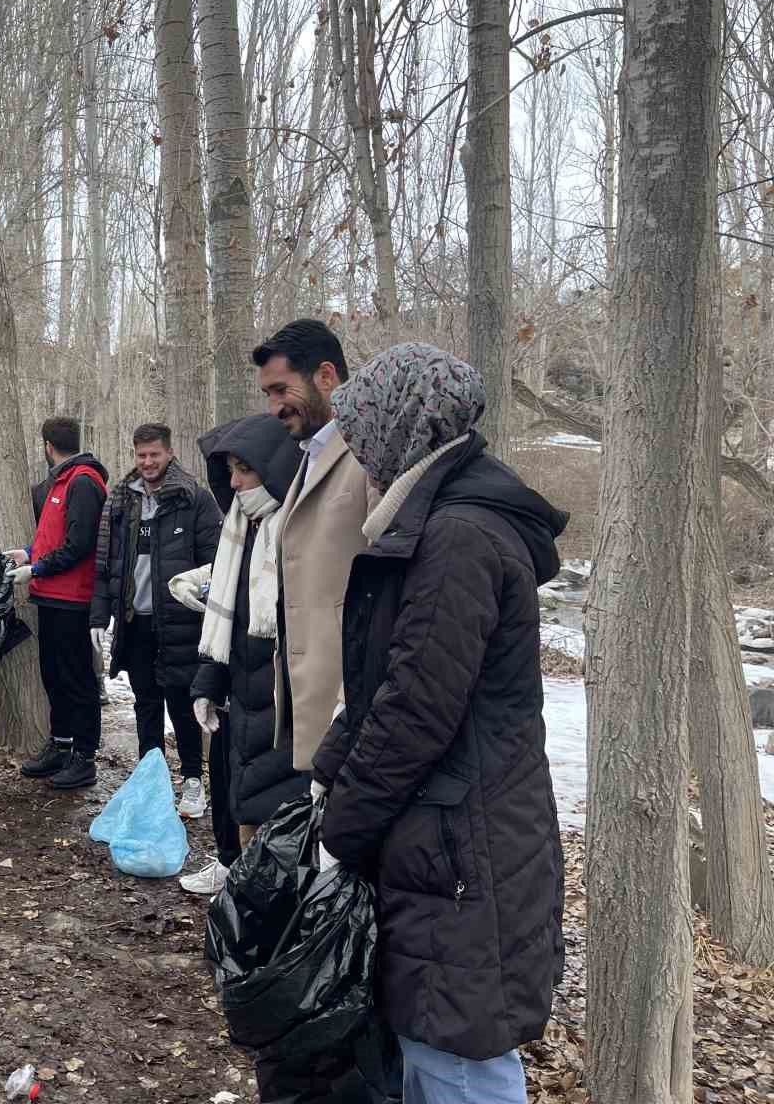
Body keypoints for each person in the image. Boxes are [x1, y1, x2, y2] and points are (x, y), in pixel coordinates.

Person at [314, 344, 566, 1104]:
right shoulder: (444, 518)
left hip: (462, 848)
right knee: (431, 1040)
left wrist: (342, 821)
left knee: (455, 1053)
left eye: (365, 438)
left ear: (403, 429)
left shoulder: (458, 536)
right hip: (449, 834)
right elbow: (388, 683)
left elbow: (417, 711)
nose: (360, 457)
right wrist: (330, 765)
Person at [176, 417, 305, 898]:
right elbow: (227, 614)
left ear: (273, 469)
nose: (234, 483)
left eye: (244, 470)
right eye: (229, 469)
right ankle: (237, 871)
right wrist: (208, 679)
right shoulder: (242, 528)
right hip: (242, 691)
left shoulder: (295, 531)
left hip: (284, 699)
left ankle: (263, 890)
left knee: (276, 806)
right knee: (237, 790)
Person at [252, 318, 373, 774]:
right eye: (268, 394)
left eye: (282, 390)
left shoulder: (368, 452)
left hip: (356, 715)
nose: (273, 407)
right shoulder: (309, 455)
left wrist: (350, 702)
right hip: (318, 717)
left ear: (326, 376)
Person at [91, 423, 222, 817]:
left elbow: (216, 563)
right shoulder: (121, 502)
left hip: (181, 623)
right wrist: (99, 615)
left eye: (154, 455)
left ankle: (194, 782)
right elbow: (106, 564)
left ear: (169, 453)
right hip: (135, 622)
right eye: (141, 455)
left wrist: (198, 597)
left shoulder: (193, 499)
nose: (147, 462)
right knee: (145, 703)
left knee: (182, 703)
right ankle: (150, 781)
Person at [5, 417, 108, 791]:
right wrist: (28, 554)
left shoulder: (82, 481)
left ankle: (84, 757)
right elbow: (53, 538)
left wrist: (37, 568)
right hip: (50, 596)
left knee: (77, 677)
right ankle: (61, 744)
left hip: (72, 599)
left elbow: (79, 545)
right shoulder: (59, 484)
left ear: (48, 446)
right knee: (53, 674)